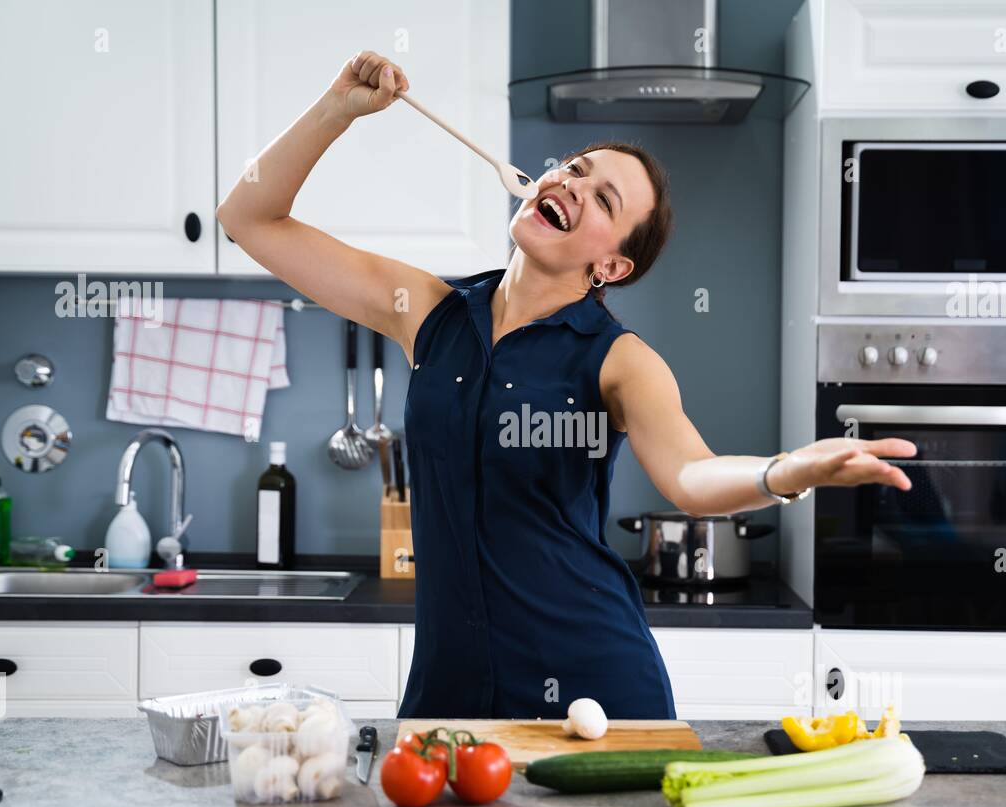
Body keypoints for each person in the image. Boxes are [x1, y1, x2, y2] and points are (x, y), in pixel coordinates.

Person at [217, 51, 917, 720]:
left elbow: (691, 476)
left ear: (612, 267)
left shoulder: (619, 360)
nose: (569, 185)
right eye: (572, 170)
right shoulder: (425, 311)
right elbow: (248, 219)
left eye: (602, 197)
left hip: (592, 683)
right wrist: (336, 109)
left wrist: (785, 471)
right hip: (448, 684)